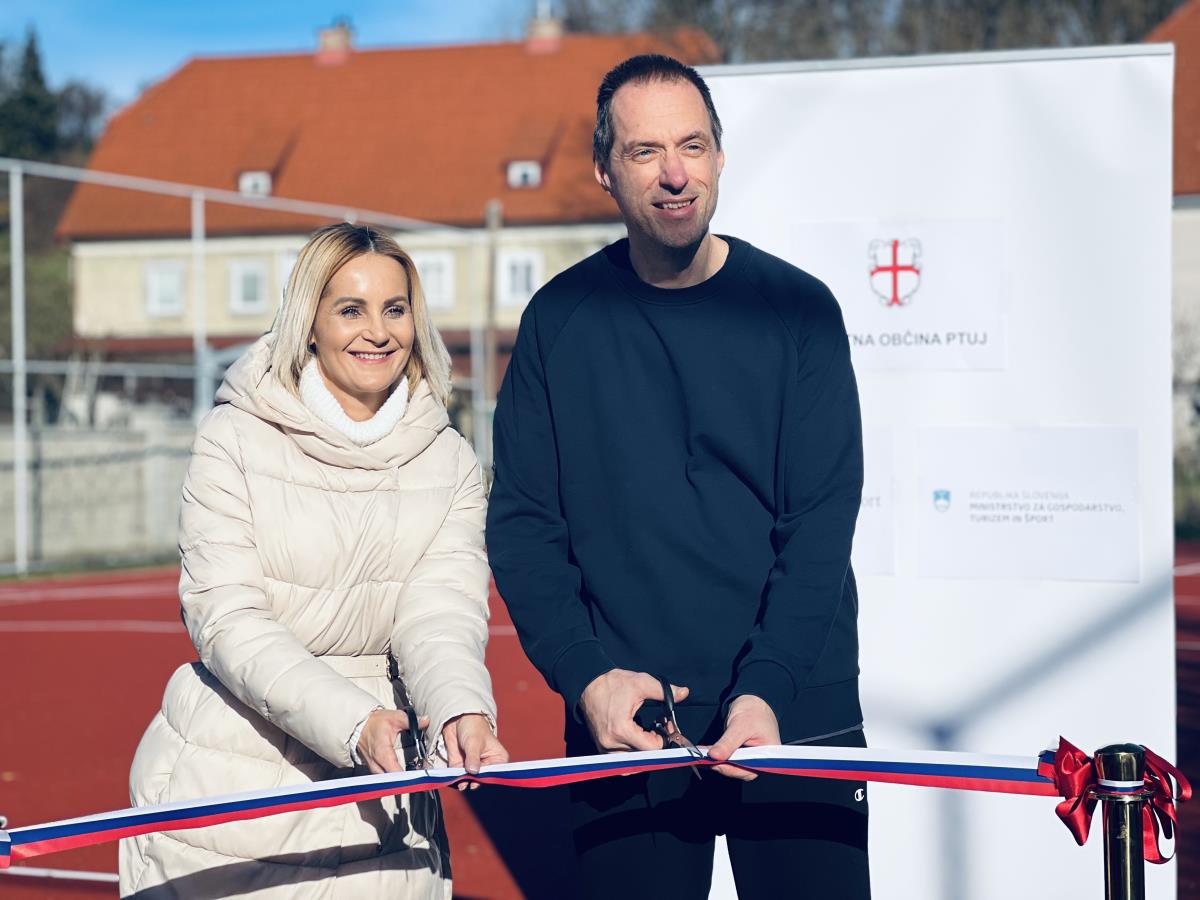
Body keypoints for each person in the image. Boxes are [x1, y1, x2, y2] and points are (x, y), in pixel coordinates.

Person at [487, 54, 869, 898]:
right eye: (644, 151)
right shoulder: (558, 322)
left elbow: (819, 525)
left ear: (720, 157)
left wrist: (768, 688)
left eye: (692, 146)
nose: (674, 174)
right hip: (629, 721)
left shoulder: (799, 311)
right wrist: (586, 679)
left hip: (794, 707)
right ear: (604, 169)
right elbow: (523, 525)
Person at [120, 223, 507, 899]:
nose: (378, 332)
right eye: (351, 309)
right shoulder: (233, 439)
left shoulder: (448, 459)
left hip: (385, 798)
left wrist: (458, 712)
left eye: (395, 308)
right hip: (234, 787)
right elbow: (227, 618)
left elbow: (441, 616)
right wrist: (352, 723)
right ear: (309, 324)